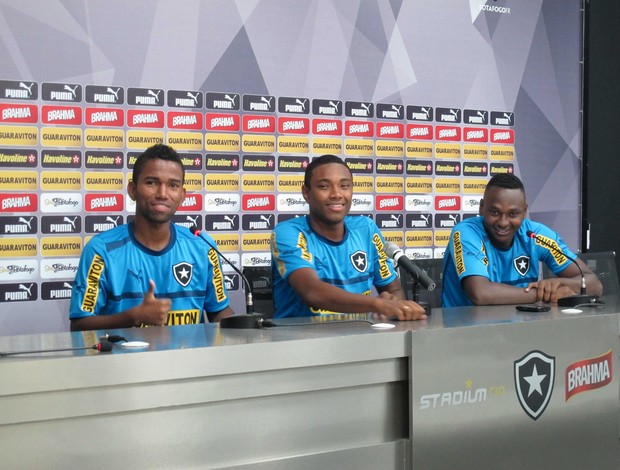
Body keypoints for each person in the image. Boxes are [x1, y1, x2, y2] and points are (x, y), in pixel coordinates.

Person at [69, 144, 234, 331]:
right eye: (151, 183)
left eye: (173, 185)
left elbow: (218, 312)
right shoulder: (101, 250)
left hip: (189, 358)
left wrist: (243, 328)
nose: (162, 194)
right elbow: (79, 326)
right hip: (123, 360)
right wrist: (134, 316)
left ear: (182, 195)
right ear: (132, 190)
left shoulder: (204, 248)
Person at [271, 154, 427, 320]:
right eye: (324, 186)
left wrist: (394, 306)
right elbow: (312, 291)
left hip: (358, 337)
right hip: (299, 340)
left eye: (344, 186)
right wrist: (377, 304)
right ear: (306, 193)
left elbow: (393, 289)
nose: (336, 194)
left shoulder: (366, 229)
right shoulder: (288, 233)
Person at [441, 173, 602, 307]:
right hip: (463, 335)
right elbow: (480, 293)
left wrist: (558, 284)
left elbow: (594, 284)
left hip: (518, 332)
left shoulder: (537, 235)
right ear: (482, 208)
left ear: (524, 211)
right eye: (494, 212)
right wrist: (543, 293)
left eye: (513, 214)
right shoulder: (466, 232)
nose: (503, 222)